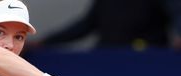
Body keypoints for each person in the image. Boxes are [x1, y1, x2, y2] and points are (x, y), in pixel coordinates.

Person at [41, 0, 180, 49]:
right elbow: (86, 25)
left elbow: (176, 11)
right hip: (108, 59)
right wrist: (45, 42)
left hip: (148, 61)